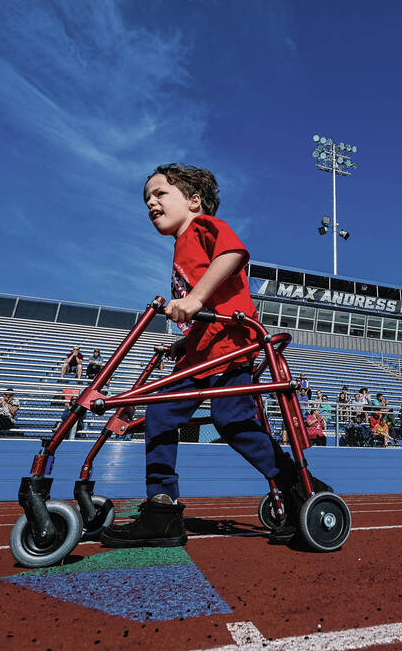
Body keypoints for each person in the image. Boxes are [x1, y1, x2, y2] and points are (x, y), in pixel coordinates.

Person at [102, 162, 318, 549]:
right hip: (200, 354)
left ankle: (299, 487)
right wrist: (185, 342)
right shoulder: (180, 247)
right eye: (146, 198)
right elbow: (207, 309)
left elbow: (233, 253)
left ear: (193, 201)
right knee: (160, 414)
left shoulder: (203, 227)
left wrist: (195, 299)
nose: (151, 202)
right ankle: (162, 509)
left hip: (230, 349)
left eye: (160, 193)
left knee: (232, 421)